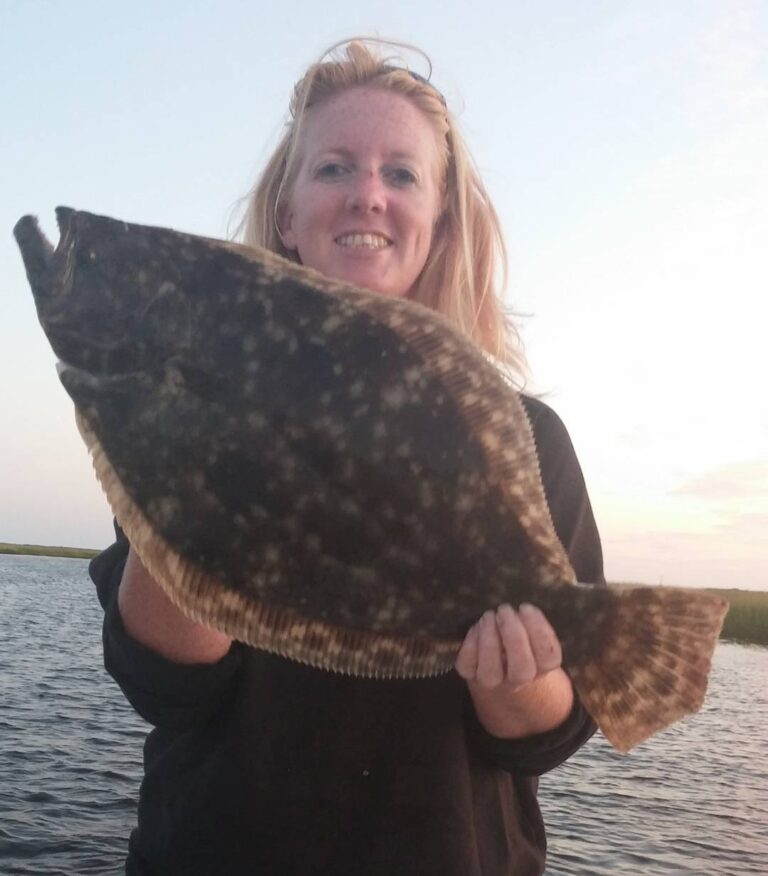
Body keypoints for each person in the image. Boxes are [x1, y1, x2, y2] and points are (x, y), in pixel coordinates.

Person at [90, 38, 605, 876]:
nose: (368, 194)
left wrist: (516, 672)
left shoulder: (524, 436)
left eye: (400, 174)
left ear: (438, 221)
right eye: (334, 167)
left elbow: (548, 732)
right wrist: (185, 493)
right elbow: (164, 686)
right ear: (288, 212)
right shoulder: (195, 399)